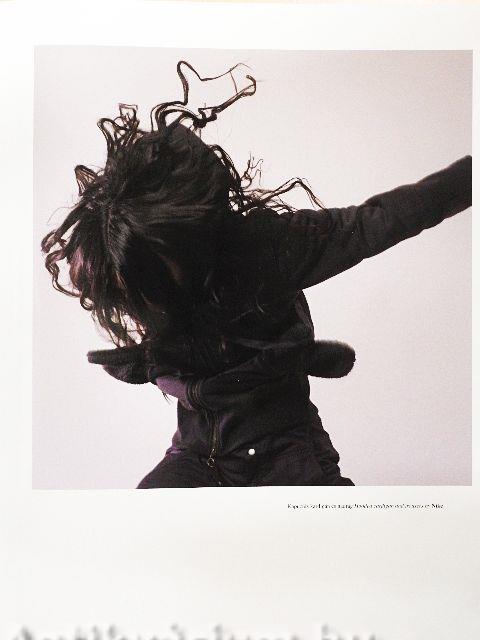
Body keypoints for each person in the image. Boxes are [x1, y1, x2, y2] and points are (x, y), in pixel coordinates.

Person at [41, 61, 472, 488]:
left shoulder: (266, 248)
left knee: (335, 527)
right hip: (198, 454)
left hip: (287, 452)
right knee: (144, 517)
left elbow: (375, 222)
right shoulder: (128, 272)